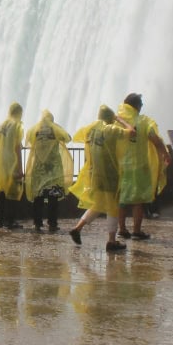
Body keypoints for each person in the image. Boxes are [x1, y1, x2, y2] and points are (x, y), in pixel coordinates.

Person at [67, 105, 133, 251]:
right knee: (113, 208)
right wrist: (120, 120)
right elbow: (132, 132)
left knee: (98, 205)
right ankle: (111, 241)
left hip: (95, 175)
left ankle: (77, 229)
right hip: (110, 175)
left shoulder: (90, 130)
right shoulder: (111, 130)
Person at [115, 93, 168, 240]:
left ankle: (122, 229)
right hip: (139, 167)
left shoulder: (117, 120)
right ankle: (137, 231)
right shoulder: (143, 121)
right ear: (137, 106)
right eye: (141, 105)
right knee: (138, 201)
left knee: (122, 199)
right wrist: (165, 154)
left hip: (121, 166)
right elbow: (155, 140)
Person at [24, 110, 72, 233]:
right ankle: (52, 223)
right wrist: (57, 127)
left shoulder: (34, 130)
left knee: (38, 197)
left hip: (39, 169)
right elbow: (68, 138)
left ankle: (37, 223)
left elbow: (28, 139)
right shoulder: (55, 129)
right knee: (53, 198)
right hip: (53, 170)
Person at [0, 102, 25, 229]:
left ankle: (0, 220)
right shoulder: (16, 125)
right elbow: (17, 147)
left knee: (2, 190)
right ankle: (10, 221)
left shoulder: (2, 125)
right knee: (13, 191)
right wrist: (20, 168)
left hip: (0, 161)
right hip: (11, 161)